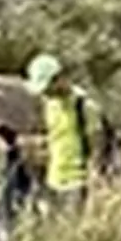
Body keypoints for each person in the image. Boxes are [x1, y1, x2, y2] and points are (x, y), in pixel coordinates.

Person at [29, 52, 102, 210]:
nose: (46, 92)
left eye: (48, 87)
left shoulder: (84, 106)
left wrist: (94, 178)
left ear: (59, 78)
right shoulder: (49, 104)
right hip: (53, 181)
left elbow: (96, 144)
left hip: (77, 182)